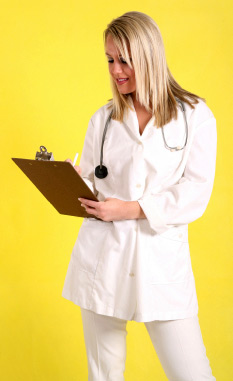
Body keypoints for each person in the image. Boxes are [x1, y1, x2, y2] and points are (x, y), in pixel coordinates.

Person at [62, 11, 217, 380]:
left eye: (124, 60)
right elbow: (94, 185)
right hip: (104, 260)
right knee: (104, 375)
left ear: (148, 56)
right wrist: (70, 181)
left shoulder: (195, 116)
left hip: (160, 263)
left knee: (192, 374)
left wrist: (129, 209)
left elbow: (196, 193)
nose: (116, 70)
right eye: (110, 60)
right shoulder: (103, 119)